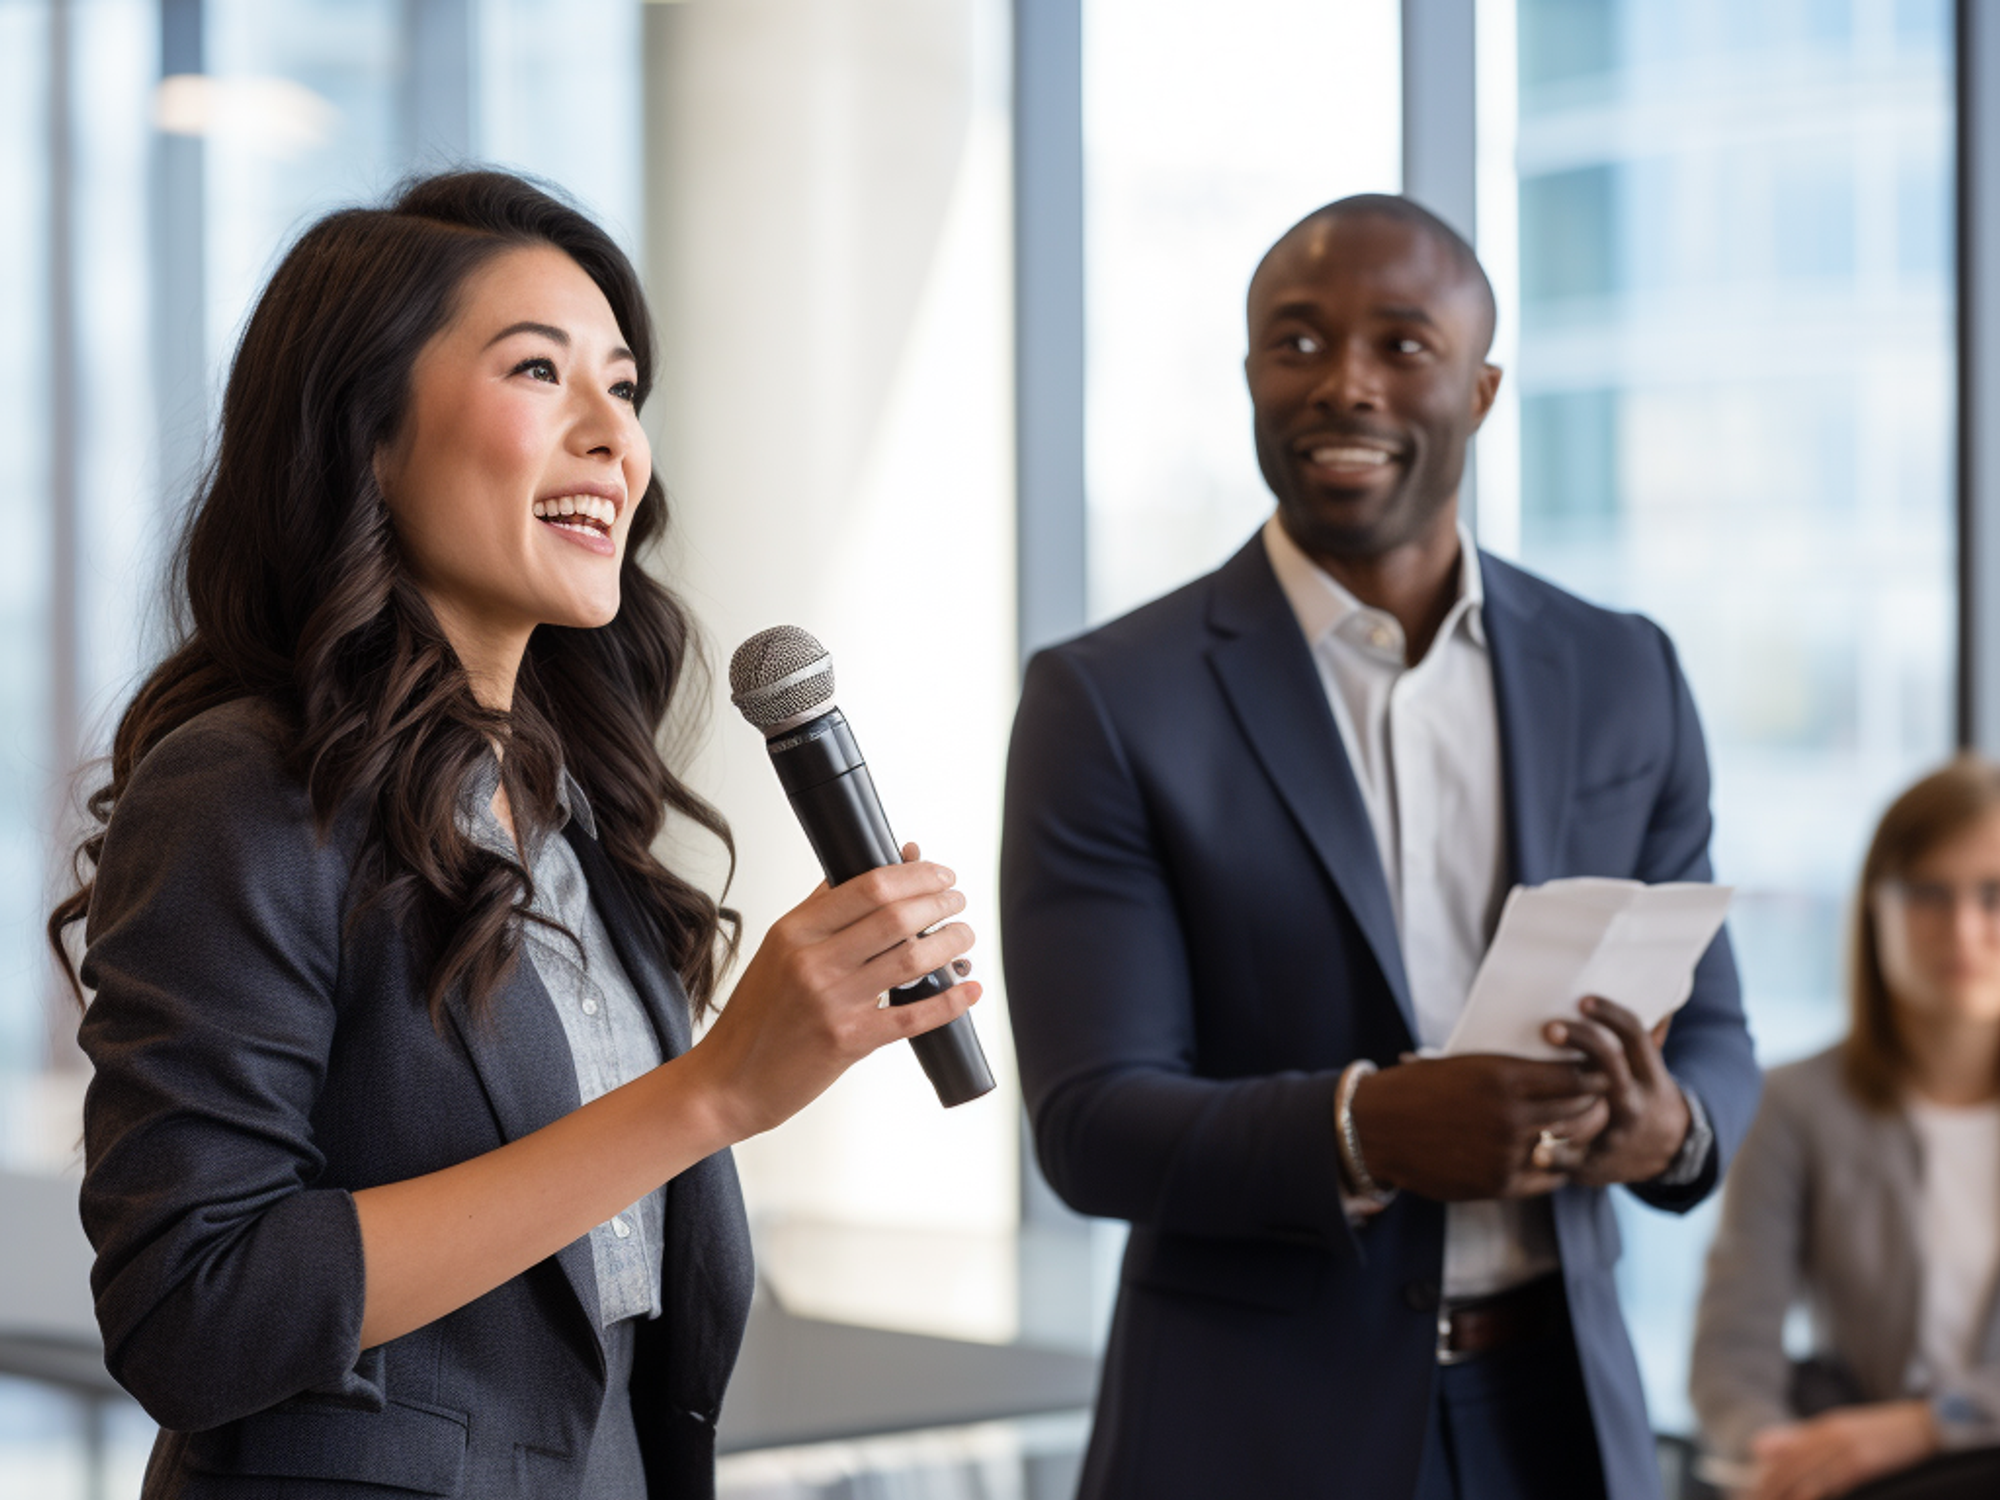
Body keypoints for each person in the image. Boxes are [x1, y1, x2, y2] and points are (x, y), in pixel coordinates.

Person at [54, 170, 980, 1499]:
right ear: (365, 430)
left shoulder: (566, 800)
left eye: (626, 387)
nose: (615, 437)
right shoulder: (244, 789)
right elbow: (194, 1312)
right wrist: (710, 1092)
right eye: (541, 373)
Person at [999, 193, 1761, 1500]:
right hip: (1249, 1439)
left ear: (1484, 386)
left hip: (1561, 1424)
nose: (1343, 383)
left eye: (1403, 345)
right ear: (1251, 376)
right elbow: (1090, 1125)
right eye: (1296, 343)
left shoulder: (1622, 670)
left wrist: (1668, 1127)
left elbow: (1718, 1038)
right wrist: (1367, 1128)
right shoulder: (1111, 700)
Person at [1691, 759, 2000, 1500]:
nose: (1962, 927)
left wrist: (1928, 1426)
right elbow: (1732, 1355)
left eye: (1993, 894)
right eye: (1928, 893)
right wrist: (1780, 1457)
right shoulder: (1797, 1106)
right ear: (1874, 909)